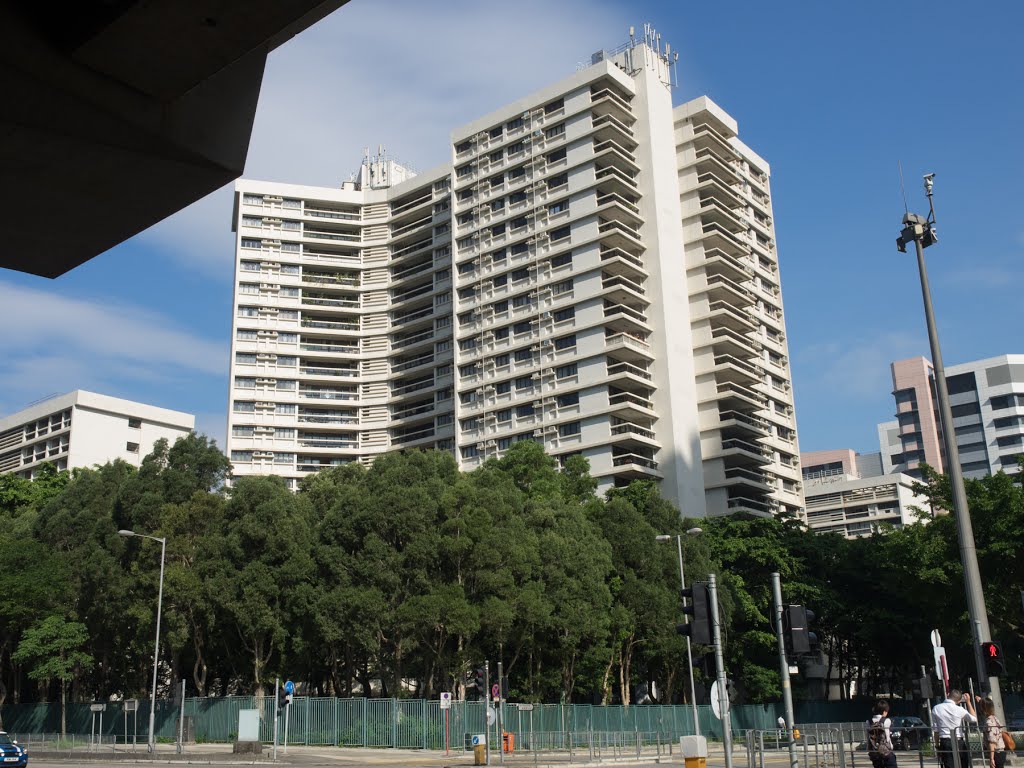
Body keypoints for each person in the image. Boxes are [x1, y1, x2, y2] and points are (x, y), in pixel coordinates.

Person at [933, 689, 978, 768]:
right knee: (963, 765)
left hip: (945, 742)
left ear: (948, 696)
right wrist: (968, 702)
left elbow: (936, 731)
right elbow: (974, 719)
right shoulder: (960, 709)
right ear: (959, 701)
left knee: (949, 765)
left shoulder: (936, 708)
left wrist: (937, 746)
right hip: (959, 742)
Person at [867, 699, 897, 768]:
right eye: (886, 711)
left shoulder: (868, 721)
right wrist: (891, 747)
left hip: (874, 753)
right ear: (884, 711)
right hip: (886, 752)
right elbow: (887, 738)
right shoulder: (886, 720)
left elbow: (868, 738)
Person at [981, 699, 1006, 768]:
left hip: (996, 753)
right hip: (1000, 752)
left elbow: (992, 742)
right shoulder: (995, 718)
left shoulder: (989, 722)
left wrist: (991, 758)